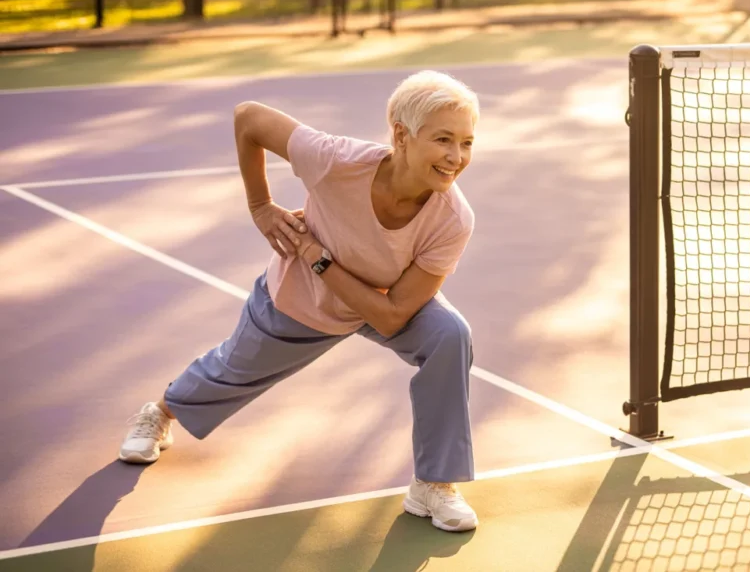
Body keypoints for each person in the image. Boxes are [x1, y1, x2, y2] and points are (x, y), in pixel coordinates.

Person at [117, 70, 480, 533]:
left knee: (450, 335)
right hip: (302, 299)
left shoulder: (453, 219)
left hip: (381, 300)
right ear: (401, 136)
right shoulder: (336, 160)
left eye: (466, 143)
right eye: (443, 139)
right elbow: (249, 117)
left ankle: (433, 483)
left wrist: (317, 256)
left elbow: (392, 317)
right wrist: (260, 206)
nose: (456, 157)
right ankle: (159, 412)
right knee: (233, 369)